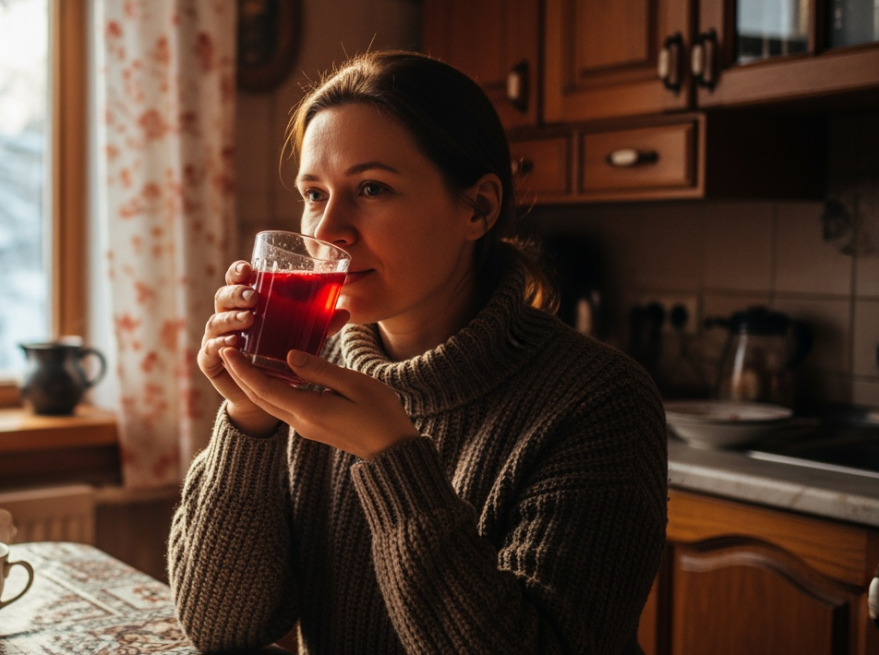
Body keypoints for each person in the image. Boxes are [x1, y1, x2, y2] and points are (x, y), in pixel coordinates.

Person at [167, 50, 667, 655]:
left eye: (371, 188)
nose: (327, 232)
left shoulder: (599, 399)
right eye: (314, 193)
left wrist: (391, 456)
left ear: (477, 208)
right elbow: (221, 629)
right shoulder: (308, 372)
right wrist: (250, 422)